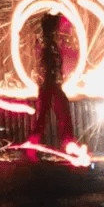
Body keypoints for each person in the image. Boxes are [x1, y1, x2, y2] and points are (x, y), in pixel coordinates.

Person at [26, 9, 77, 158]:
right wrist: (53, 83)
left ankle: (66, 143)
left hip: (50, 86)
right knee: (56, 115)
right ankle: (66, 143)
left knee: (52, 116)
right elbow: (48, 67)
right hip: (50, 86)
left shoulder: (49, 44)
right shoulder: (48, 45)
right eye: (56, 26)